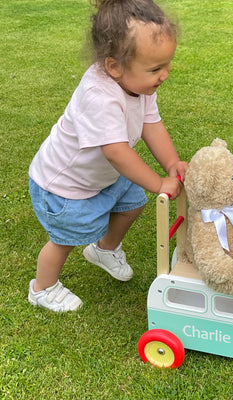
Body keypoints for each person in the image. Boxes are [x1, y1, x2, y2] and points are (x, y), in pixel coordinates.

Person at [28, 0, 188, 312]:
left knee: (133, 203)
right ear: (114, 66)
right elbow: (115, 152)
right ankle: (42, 288)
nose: (165, 75)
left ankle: (105, 249)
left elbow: (151, 125)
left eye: (168, 64)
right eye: (155, 68)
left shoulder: (138, 88)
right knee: (64, 240)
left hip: (101, 178)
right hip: (63, 186)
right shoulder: (99, 96)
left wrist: (171, 163)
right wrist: (158, 182)